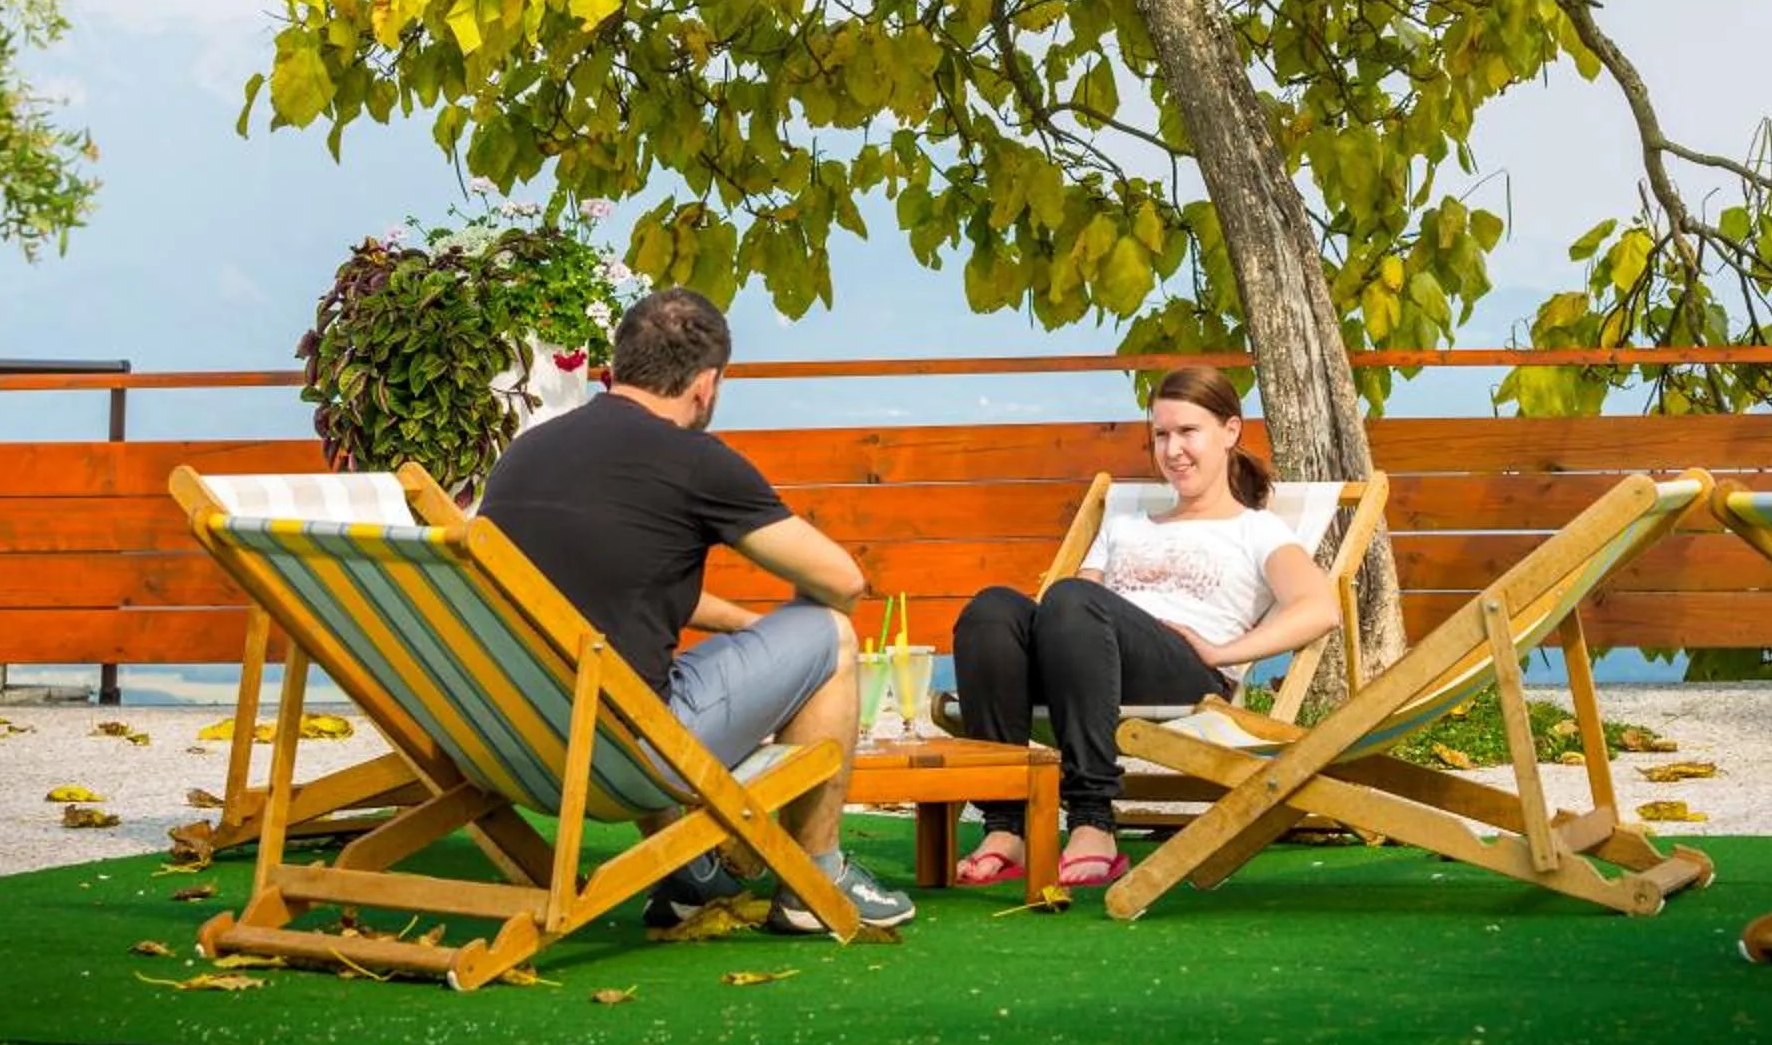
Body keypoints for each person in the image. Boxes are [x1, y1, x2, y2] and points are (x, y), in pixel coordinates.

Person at [479, 286, 914, 934]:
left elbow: (613, 585)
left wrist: (750, 629)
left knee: (629, 668)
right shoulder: (695, 461)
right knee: (831, 634)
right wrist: (792, 648)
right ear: (706, 385)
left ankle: (690, 872)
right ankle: (813, 878)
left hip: (512, 742)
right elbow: (843, 581)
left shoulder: (527, 453)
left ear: (616, 367)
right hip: (625, 759)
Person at [947, 366, 1341, 890]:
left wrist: (1223, 652)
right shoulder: (1124, 525)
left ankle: (1092, 820)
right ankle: (1005, 826)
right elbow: (1063, 619)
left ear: (1230, 431)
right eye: (1161, 435)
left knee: (1071, 596)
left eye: (1188, 431)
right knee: (991, 609)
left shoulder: (1256, 529)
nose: (1173, 450)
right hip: (1086, 668)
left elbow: (1319, 608)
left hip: (1183, 672)